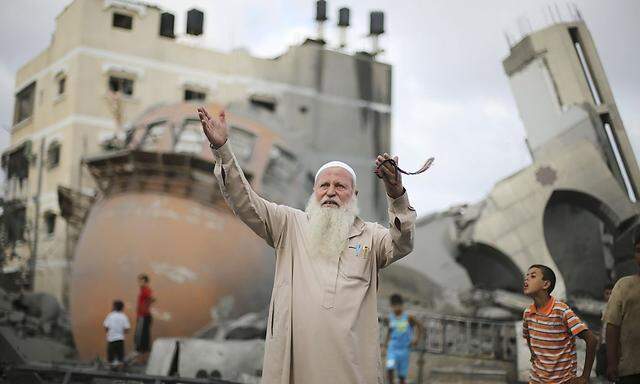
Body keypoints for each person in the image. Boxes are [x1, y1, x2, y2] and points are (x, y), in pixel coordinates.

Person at [198, 107, 417, 384]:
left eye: (340, 186)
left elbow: (403, 242)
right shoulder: (289, 225)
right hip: (293, 371)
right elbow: (244, 200)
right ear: (314, 192)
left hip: (352, 372)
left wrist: (396, 194)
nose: (331, 192)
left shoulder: (371, 238)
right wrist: (222, 148)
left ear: (354, 194)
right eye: (324, 185)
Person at [522, 264, 597, 384]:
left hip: (563, 381)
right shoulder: (528, 313)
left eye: (533, 276)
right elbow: (528, 337)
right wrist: (534, 356)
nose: (526, 279)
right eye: (526, 276)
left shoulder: (561, 310)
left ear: (546, 284)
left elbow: (592, 340)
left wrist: (585, 376)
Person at [604, 233, 640, 383]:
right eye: (638, 250)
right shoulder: (623, 286)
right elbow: (612, 326)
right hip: (631, 369)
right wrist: (612, 363)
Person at [383, 294, 424, 384]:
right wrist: (385, 346)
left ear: (401, 305)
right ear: (391, 306)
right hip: (393, 348)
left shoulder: (408, 317)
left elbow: (420, 326)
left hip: (404, 349)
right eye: (394, 306)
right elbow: (389, 332)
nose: (396, 308)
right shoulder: (390, 318)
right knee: (389, 367)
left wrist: (416, 339)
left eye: (398, 305)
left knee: (402, 375)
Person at [134, 274, 154, 363]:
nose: (139, 283)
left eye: (141, 281)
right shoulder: (143, 290)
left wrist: (144, 308)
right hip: (143, 316)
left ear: (145, 281)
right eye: (139, 281)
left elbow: (151, 299)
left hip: (143, 316)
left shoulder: (146, 290)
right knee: (142, 337)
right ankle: (143, 359)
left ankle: (141, 359)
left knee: (141, 338)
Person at [103, 300, 130, 366]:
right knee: (120, 358)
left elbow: (106, 327)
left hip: (111, 340)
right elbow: (127, 329)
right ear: (122, 308)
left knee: (110, 358)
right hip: (120, 340)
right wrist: (121, 332)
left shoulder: (110, 315)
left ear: (114, 307)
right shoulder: (124, 316)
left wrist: (109, 333)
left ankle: (110, 371)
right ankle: (120, 372)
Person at [596, 283, 614, 379]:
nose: (609, 296)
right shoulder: (603, 309)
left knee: (610, 366)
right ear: (604, 295)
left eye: (612, 293)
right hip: (603, 342)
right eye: (607, 293)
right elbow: (602, 326)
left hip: (613, 343)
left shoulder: (618, 309)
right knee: (600, 367)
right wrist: (599, 342)